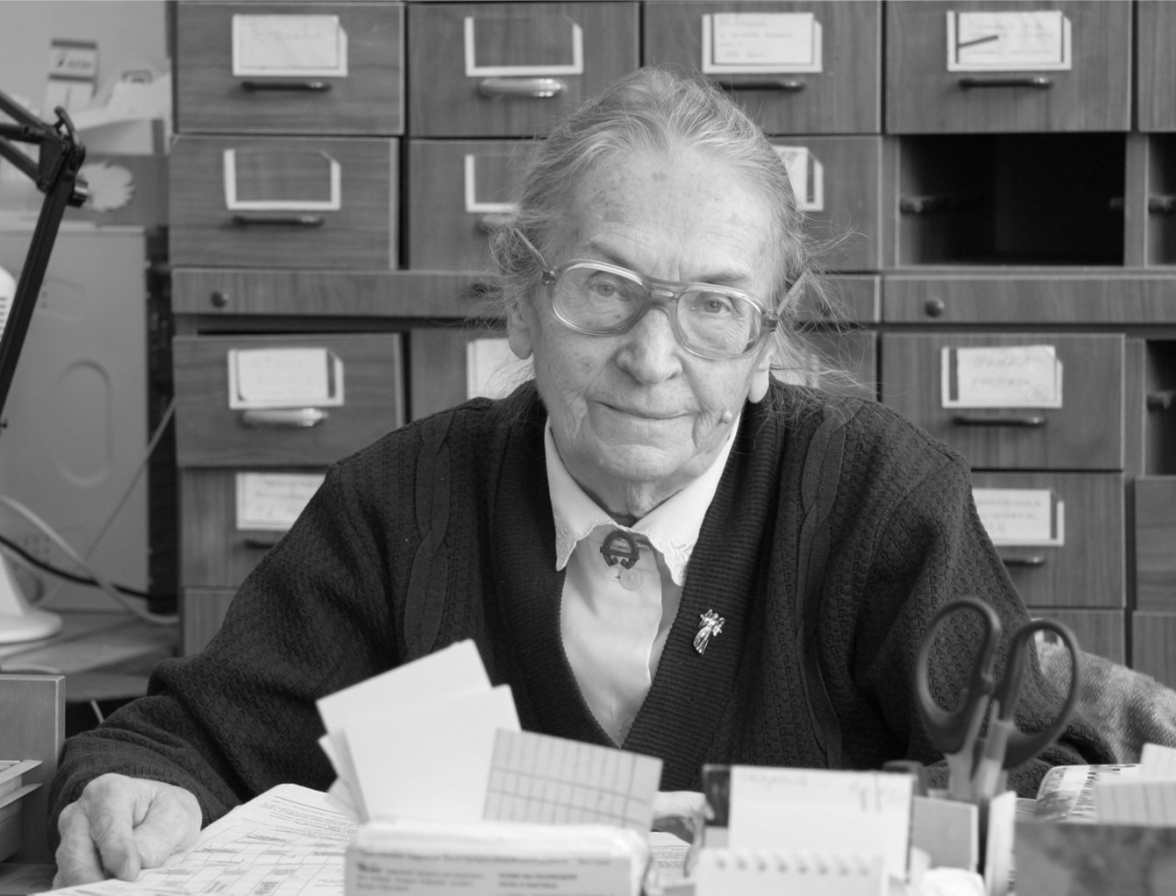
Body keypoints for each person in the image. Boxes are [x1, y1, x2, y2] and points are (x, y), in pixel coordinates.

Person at [49, 67, 1113, 884]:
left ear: (765, 344)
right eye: (606, 288)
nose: (652, 358)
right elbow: (188, 741)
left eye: (714, 307)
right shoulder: (398, 504)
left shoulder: (877, 496)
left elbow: (1042, 780)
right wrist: (139, 791)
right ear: (522, 298)